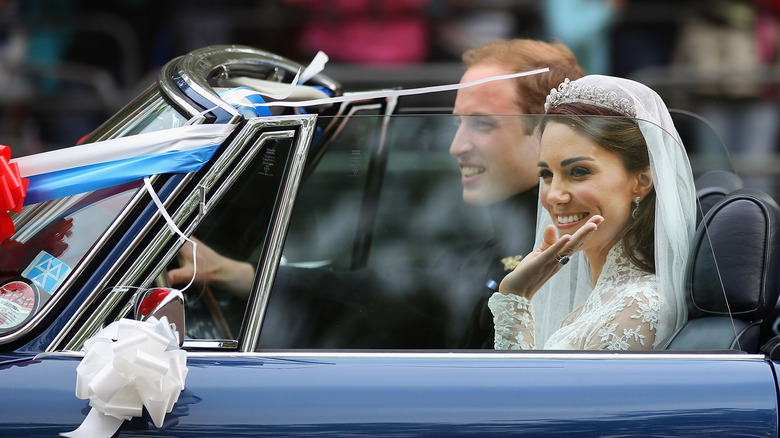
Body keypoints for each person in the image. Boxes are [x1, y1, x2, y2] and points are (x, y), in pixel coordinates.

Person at [168, 39, 585, 349]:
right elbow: (383, 295)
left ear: (548, 136)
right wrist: (233, 273)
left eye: (482, 124)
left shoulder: (575, 256)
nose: (455, 146)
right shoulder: (483, 249)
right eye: (457, 123)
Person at [488, 75, 697, 350]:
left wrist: (515, 299)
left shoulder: (637, 308)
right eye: (546, 174)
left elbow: (527, 394)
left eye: (578, 172)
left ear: (642, 181)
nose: (555, 196)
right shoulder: (602, 298)